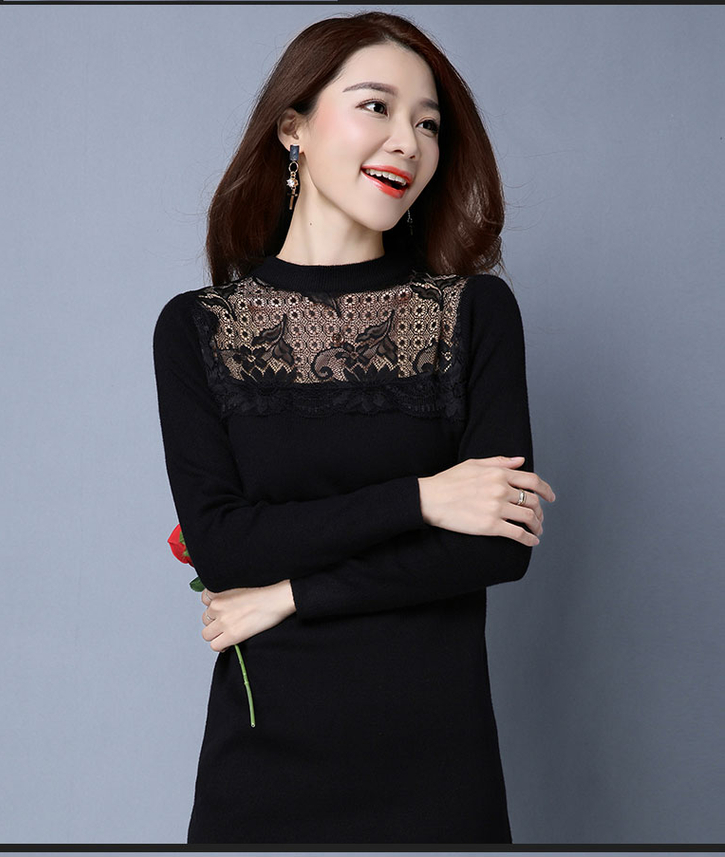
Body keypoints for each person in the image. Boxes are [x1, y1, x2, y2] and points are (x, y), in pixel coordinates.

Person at [153, 10, 555, 845]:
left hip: (436, 769)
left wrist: (290, 594)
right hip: (263, 772)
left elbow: (498, 548)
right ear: (292, 127)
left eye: (429, 124)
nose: (408, 142)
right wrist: (424, 498)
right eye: (377, 106)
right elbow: (224, 546)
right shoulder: (198, 329)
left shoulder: (474, 312)